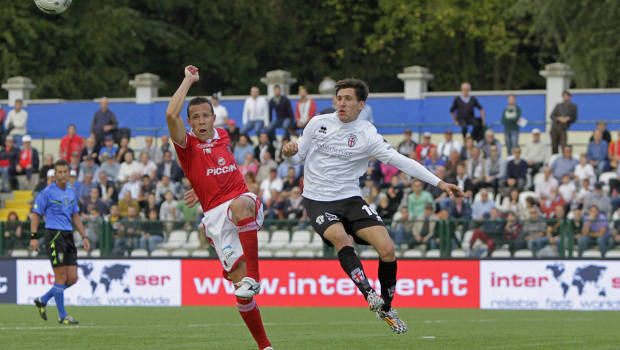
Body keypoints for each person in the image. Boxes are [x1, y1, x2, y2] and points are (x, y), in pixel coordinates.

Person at [282, 78, 463, 334]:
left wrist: (439, 182)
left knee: (388, 249)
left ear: (361, 104)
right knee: (342, 239)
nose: (341, 103)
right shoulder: (317, 124)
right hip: (318, 200)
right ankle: (369, 293)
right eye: (339, 98)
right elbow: (296, 157)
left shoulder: (367, 133)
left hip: (350, 199)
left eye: (348, 99)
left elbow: (400, 160)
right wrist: (288, 152)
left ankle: (387, 308)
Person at [166, 65, 272, 350]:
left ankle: (256, 276)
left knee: (239, 205)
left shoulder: (223, 136)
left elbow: (222, 178)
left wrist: (203, 190)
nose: (201, 121)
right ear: (189, 122)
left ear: (214, 118)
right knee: (242, 294)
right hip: (214, 218)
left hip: (242, 203)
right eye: (195, 117)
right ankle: (265, 346)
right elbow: (169, 115)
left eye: (205, 116)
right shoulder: (186, 145)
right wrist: (188, 79)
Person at [30, 159, 90, 325]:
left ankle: (43, 299)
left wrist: (84, 236)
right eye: (60, 172)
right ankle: (63, 316)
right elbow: (35, 214)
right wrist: (34, 236)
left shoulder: (71, 191)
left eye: (65, 172)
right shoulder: (47, 192)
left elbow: (75, 215)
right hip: (54, 236)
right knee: (61, 277)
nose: (63, 175)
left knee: (72, 278)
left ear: (68, 173)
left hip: (68, 236)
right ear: (55, 174)